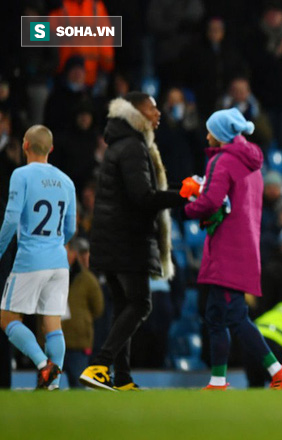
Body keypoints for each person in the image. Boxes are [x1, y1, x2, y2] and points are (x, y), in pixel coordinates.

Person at [80, 92, 188, 391]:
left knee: (123, 307)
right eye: (153, 108)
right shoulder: (133, 147)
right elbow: (142, 197)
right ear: (137, 113)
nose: (158, 113)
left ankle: (123, 377)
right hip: (127, 241)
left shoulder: (120, 144)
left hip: (111, 238)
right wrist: (183, 195)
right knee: (140, 304)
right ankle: (100, 365)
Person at [184, 108, 282, 390]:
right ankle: (219, 380)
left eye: (210, 130)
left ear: (220, 134)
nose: (207, 135)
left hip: (226, 248)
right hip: (245, 244)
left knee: (234, 316)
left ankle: (277, 372)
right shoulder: (253, 164)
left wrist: (187, 204)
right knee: (216, 315)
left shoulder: (222, 161)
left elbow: (211, 202)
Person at [0, 125, 77, 390]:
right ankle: (53, 387)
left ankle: (44, 365)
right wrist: (56, 245)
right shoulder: (67, 181)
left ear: (25, 146)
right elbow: (70, 228)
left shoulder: (21, 175)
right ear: (51, 149)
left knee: (7, 318)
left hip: (30, 259)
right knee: (52, 323)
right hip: (59, 261)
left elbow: (11, 218)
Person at [61, 237, 104, 388]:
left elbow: (98, 308)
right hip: (52, 340)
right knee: (46, 388)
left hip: (78, 342)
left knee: (78, 388)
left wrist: (82, 321)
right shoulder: (49, 274)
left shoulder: (87, 279)